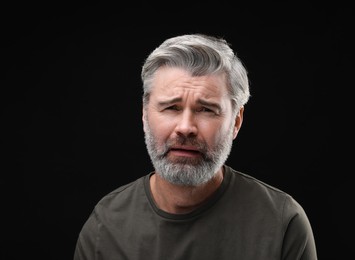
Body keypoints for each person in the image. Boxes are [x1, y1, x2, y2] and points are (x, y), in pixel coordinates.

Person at [73, 33, 318, 260]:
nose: (186, 127)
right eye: (171, 107)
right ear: (145, 115)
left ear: (236, 121)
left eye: (206, 109)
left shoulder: (282, 223)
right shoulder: (104, 227)